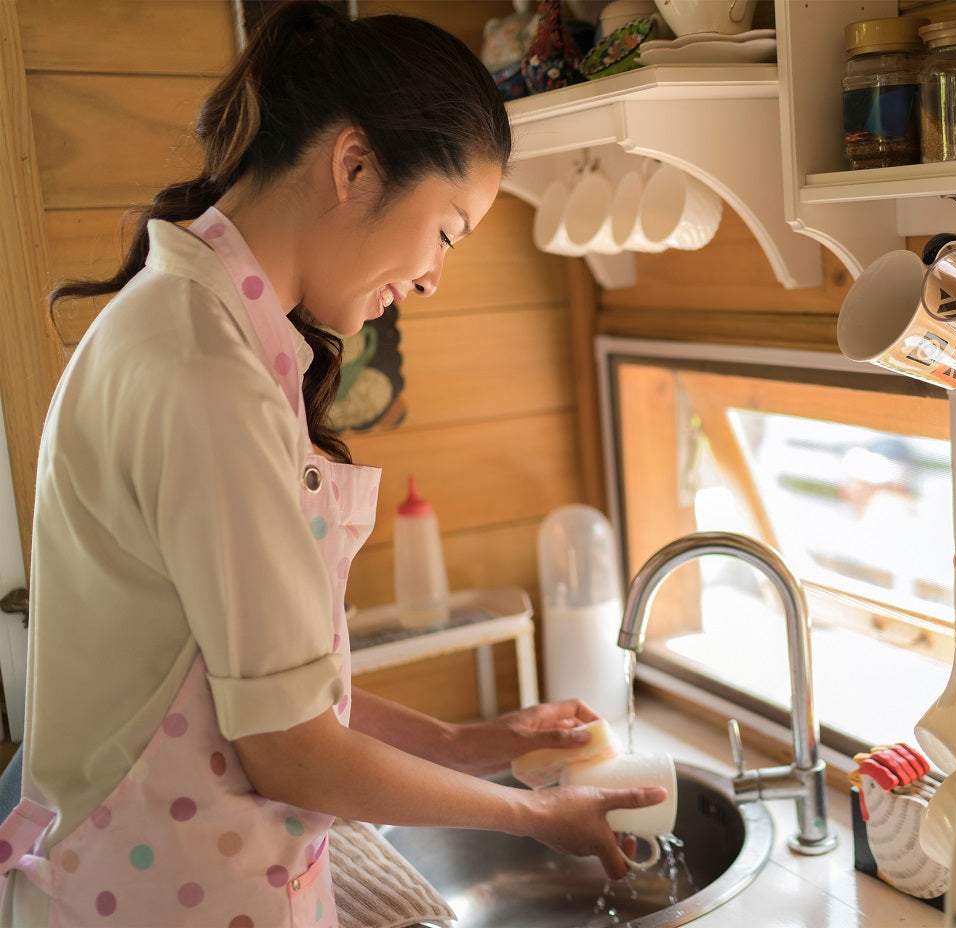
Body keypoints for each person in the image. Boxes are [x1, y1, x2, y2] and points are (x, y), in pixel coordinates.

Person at [0, 4, 663, 926]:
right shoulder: (204, 369)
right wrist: (533, 813)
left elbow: (272, 687)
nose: (435, 277)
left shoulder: (204, 325)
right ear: (353, 165)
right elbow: (291, 749)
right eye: (447, 230)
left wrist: (467, 741)